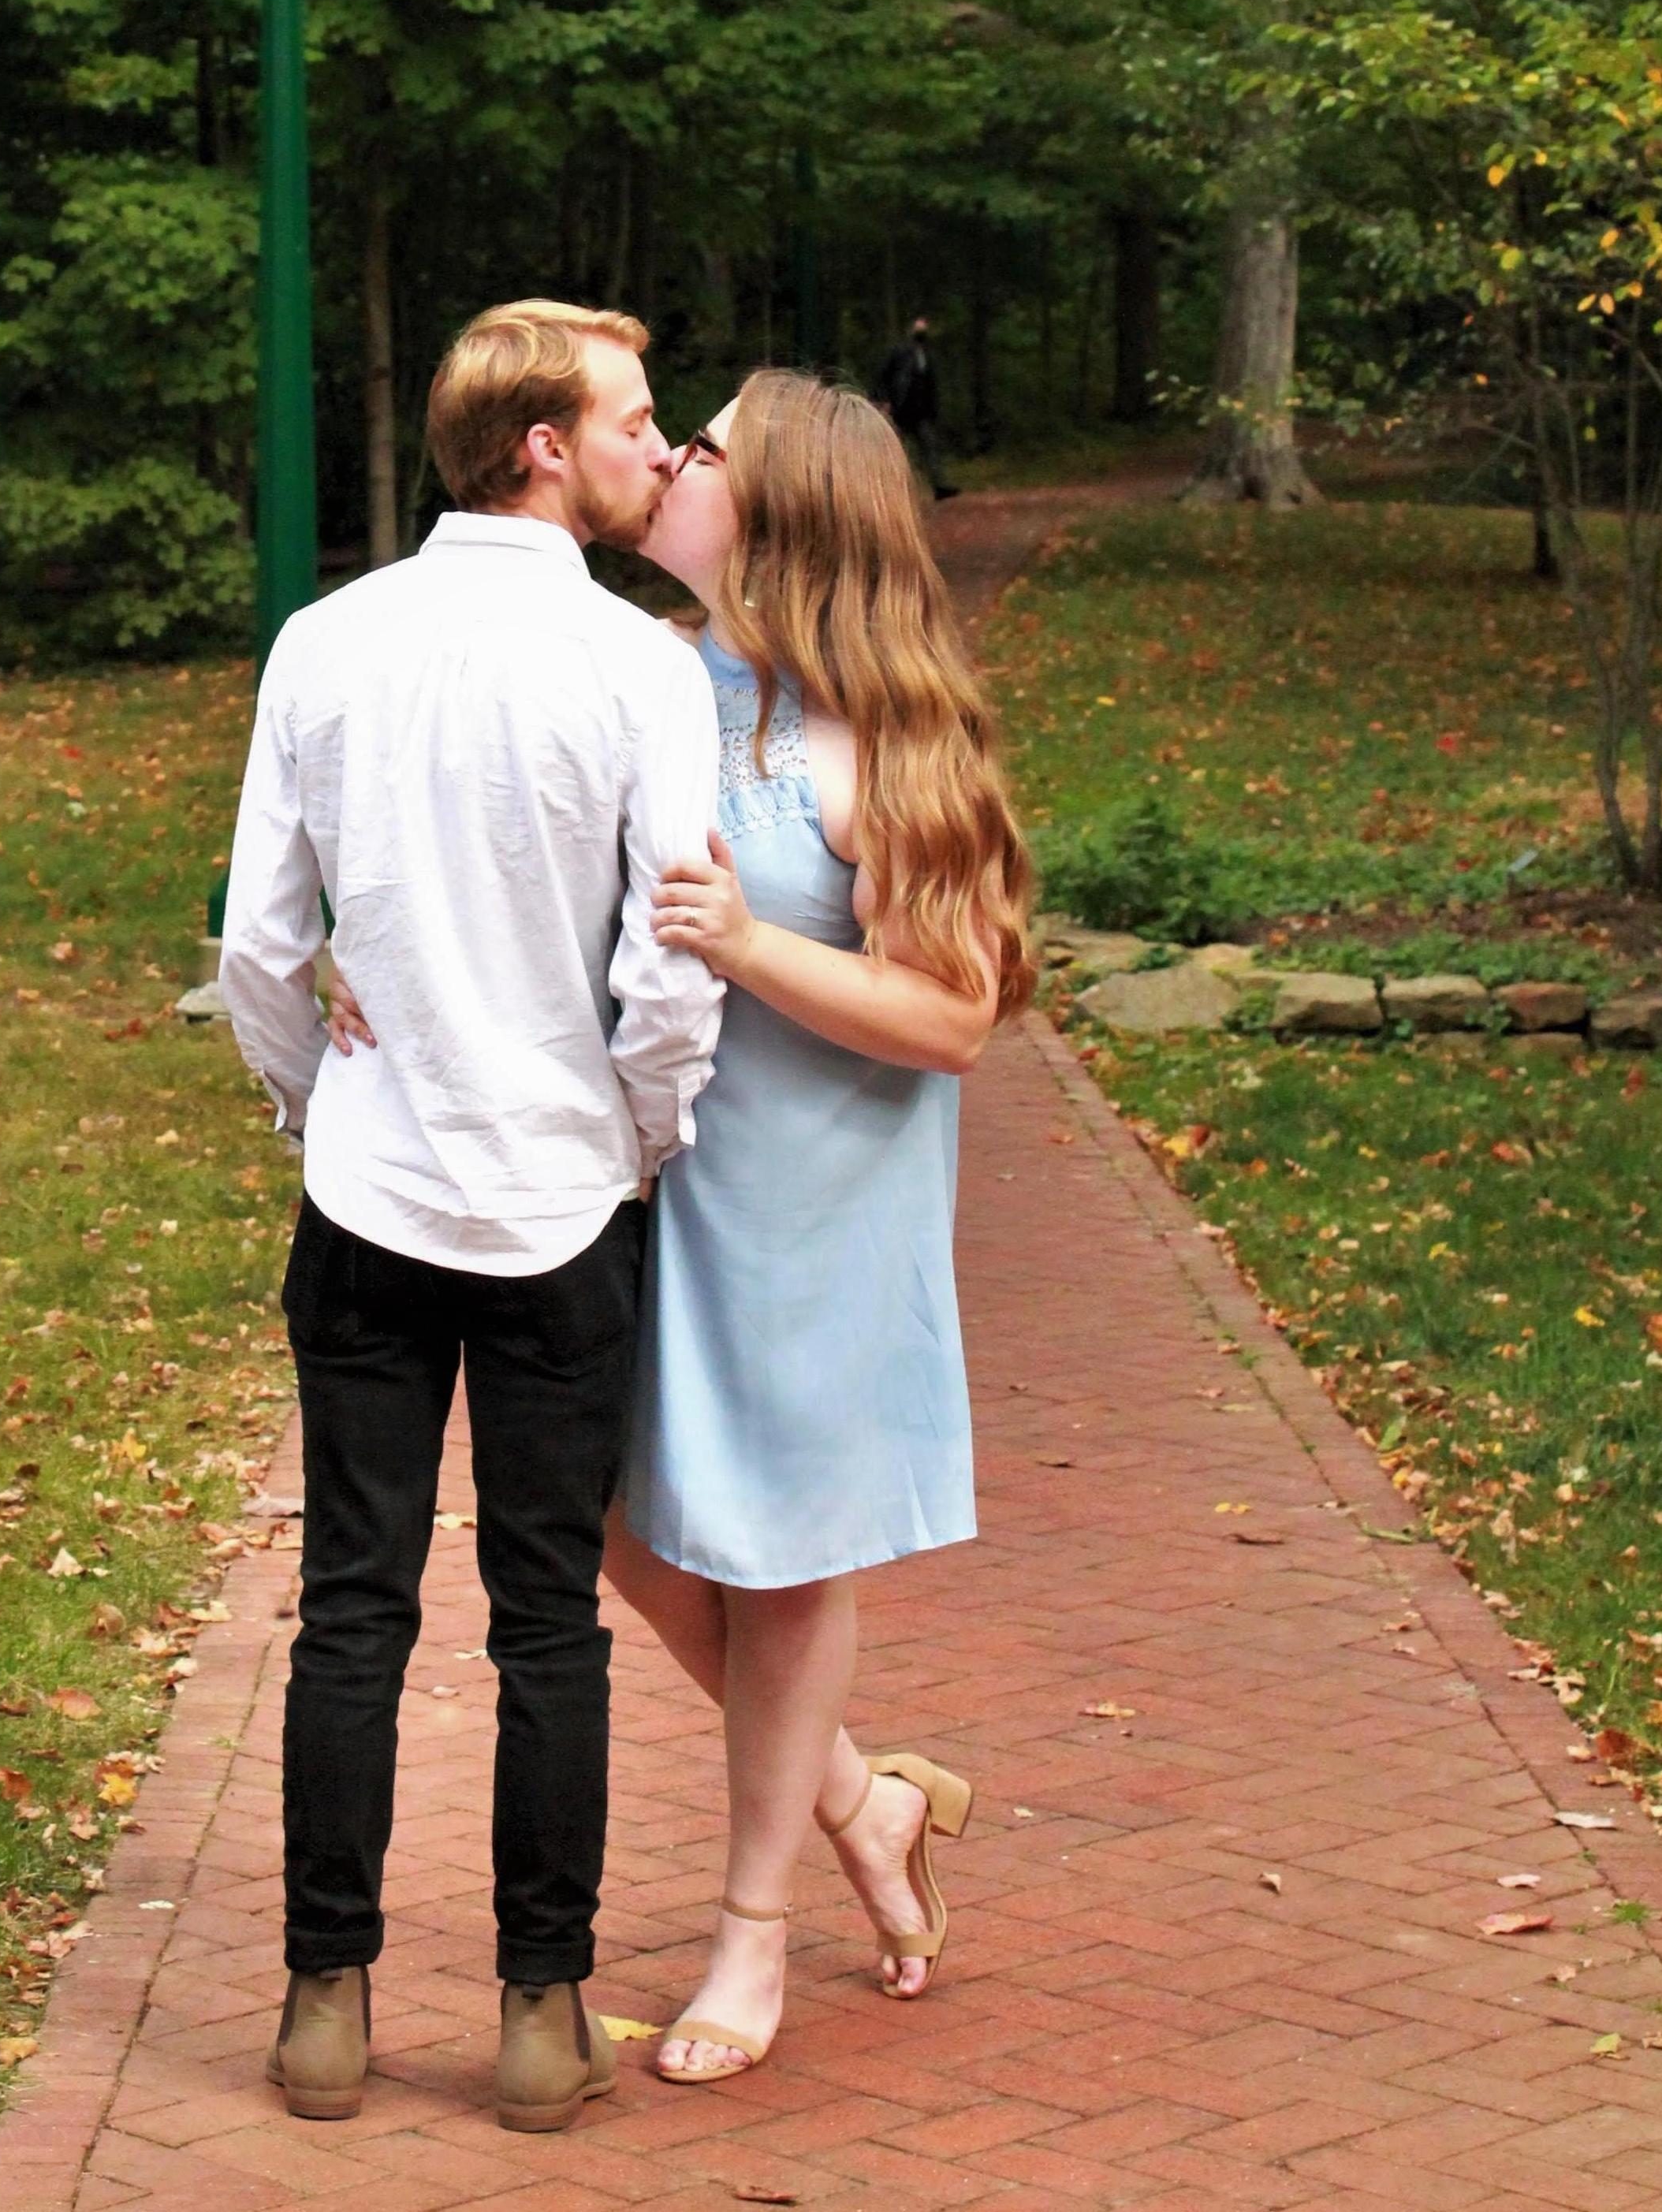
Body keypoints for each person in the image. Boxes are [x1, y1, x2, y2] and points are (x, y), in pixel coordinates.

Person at [218, 299, 725, 2132]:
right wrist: (637, 1137)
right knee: (545, 1624)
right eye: (634, 420)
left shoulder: (327, 641)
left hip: (367, 1195)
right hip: (558, 1198)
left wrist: (319, 1102)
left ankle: (322, 2007)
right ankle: (538, 2013)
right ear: (542, 446)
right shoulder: (641, 670)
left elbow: (259, 948)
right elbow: (669, 975)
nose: (658, 449)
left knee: (352, 1608)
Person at [607, 368, 1034, 2083]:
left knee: (778, 1565)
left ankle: (750, 1935)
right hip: (643, 1189)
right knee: (606, 1525)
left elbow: (956, 1013)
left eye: (704, 447)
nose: (668, 459)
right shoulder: (641, 677)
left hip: (813, 1207)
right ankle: (864, 1799)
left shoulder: (887, 733)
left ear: (782, 508)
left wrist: (749, 945)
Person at [874, 315, 958, 498]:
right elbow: (883, 377)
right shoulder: (899, 352)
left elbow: (930, 385)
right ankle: (889, 487)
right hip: (901, 410)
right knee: (895, 449)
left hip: (921, 411)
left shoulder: (927, 354)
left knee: (930, 447)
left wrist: (933, 409)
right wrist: (884, 400)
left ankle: (939, 486)